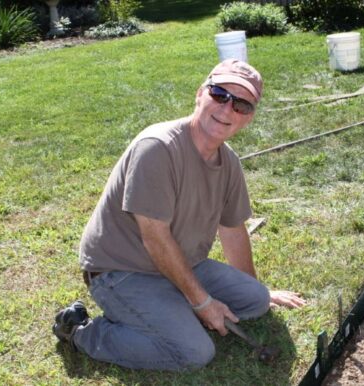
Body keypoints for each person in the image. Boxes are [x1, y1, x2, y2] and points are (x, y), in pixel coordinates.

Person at [52, 59, 306, 371]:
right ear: (201, 93)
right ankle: (81, 332)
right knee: (194, 352)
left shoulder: (229, 164)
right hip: (122, 272)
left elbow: (233, 230)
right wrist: (203, 303)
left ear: (249, 118)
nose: (227, 109)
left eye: (241, 104)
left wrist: (255, 289)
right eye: (220, 94)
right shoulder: (157, 148)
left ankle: (176, 308)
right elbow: (155, 239)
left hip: (184, 264)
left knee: (254, 300)